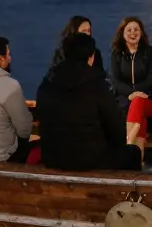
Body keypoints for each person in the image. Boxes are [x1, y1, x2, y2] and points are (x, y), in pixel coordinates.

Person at [36, 32, 142, 171]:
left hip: (52, 158)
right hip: (91, 161)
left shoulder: (47, 83)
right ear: (91, 57)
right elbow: (117, 131)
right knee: (132, 152)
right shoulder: (97, 85)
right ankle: (125, 192)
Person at [110, 16, 152, 156]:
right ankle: (137, 158)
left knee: (138, 103)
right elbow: (116, 82)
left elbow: (151, 79)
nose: (133, 33)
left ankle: (129, 145)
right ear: (122, 33)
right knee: (139, 119)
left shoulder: (150, 52)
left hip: (148, 99)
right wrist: (131, 93)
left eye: (136, 29)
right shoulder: (116, 54)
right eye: (129, 30)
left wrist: (136, 94)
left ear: (141, 32)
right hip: (124, 101)